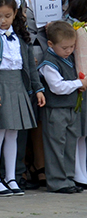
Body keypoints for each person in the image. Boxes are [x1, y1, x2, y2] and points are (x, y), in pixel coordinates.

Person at [0, 0, 44, 197]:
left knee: (13, 134)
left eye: (7, 15)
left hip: (18, 87)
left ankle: (11, 177)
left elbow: (30, 68)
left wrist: (38, 88)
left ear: (15, 13)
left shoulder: (21, 38)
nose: (3, 20)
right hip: (0, 87)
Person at [37, 20, 85, 193]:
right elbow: (57, 87)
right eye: (65, 47)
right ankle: (57, 181)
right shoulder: (49, 63)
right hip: (55, 110)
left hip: (71, 108)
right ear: (50, 44)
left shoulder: (69, 58)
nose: (69, 50)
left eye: (72, 46)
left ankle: (68, 178)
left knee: (69, 145)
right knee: (56, 146)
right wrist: (78, 83)